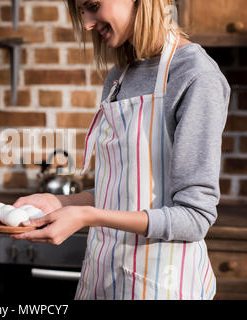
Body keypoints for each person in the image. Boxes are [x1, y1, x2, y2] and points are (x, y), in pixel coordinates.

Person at [12, 0, 230, 300]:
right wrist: (61, 202)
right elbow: (124, 190)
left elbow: (194, 217)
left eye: (93, 5)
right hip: (102, 277)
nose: (87, 23)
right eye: (81, 12)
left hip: (160, 285)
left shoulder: (195, 75)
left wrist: (89, 216)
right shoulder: (120, 75)